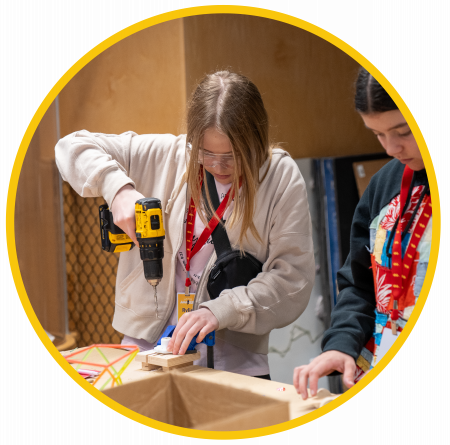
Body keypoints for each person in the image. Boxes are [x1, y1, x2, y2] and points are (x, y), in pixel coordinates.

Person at [55, 70, 315, 379]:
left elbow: (291, 279)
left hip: (234, 363)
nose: (218, 166)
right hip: (145, 353)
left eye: (232, 156)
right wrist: (118, 190)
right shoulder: (167, 155)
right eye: (206, 153)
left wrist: (222, 310)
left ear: (255, 142)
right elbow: (70, 147)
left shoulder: (279, 177)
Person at [293, 67, 431, 398]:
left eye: (402, 131)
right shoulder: (384, 185)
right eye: (378, 134)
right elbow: (360, 283)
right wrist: (341, 343)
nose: (391, 148)